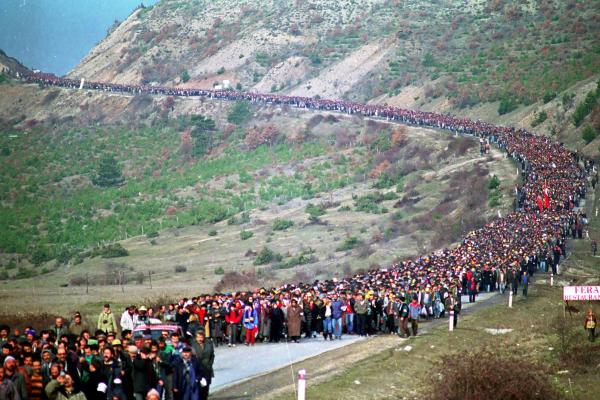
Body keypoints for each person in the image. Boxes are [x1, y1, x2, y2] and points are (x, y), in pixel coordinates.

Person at [191, 332, 213, 400]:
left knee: (206, 389)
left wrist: (210, 364)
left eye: (201, 337)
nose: (200, 339)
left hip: (207, 369)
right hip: (198, 370)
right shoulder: (193, 346)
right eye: (198, 337)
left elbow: (212, 355)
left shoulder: (208, 344)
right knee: (199, 390)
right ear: (196, 338)